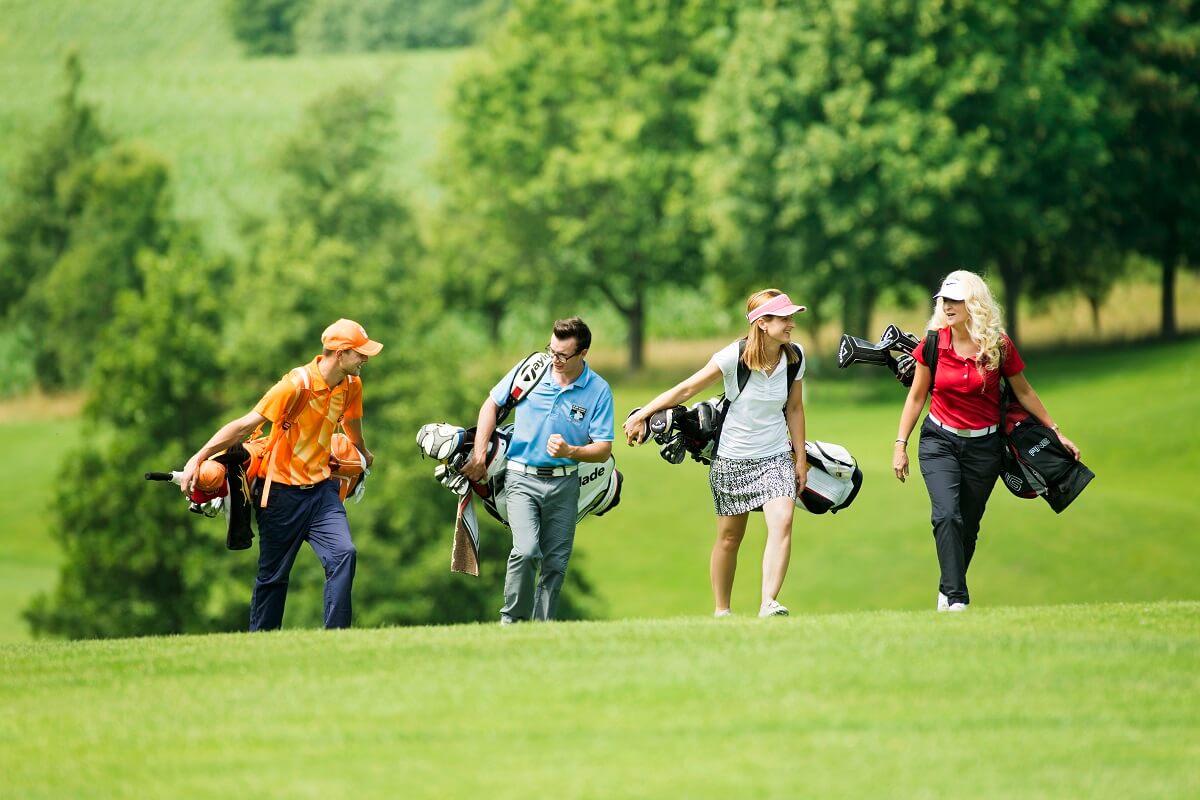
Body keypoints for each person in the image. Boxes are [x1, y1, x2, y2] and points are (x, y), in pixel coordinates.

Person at [893, 271, 1080, 611]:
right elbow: (916, 398)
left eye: (955, 300)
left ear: (973, 303)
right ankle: (957, 598)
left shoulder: (997, 345)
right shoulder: (934, 342)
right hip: (940, 442)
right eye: (944, 300)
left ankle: (946, 591)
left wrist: (1055, 431)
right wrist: (900, 444)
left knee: (968, 525)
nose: (947, 306)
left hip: (984, 448)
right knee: (946, 516)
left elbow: (1023, 391)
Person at [180, 318, 381, 631]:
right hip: (279, 496)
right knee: (273, 579)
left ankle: (338, 637)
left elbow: (351, 422)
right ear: (339, 354)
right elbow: (244, 425)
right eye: (360, 353)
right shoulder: (294, 385)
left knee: (344, 554)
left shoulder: (352, 385)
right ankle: (261, 644)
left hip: (321, 492)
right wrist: (199, 457)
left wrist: (362, 451)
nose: (365, 358)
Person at [623, 289, 808, 618]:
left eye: (792, 317)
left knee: (783, 521)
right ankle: (722, 610)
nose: (791, 323)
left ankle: (769, 602)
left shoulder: (795, 357)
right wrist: (641, 415)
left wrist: (800, 459)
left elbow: (794, 408)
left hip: (776, 454)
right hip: (733, 457)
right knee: (729, 538)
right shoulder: (732, 358)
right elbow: (686, 389)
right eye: (785, 318)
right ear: (762, 323)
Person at [462, 317, 615, 623]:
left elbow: (603, 449)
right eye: (552, 350)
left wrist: (571, 451)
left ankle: (542, 627)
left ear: (583, 353)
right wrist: (479, 454)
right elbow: (490, 405)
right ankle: (512, 622)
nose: (555, 359)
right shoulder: (532, 371)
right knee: (527, 550)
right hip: (521, 478)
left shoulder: (598, 390)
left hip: (565, 483)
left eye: (563, 355)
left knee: (556, 563)